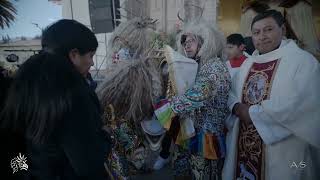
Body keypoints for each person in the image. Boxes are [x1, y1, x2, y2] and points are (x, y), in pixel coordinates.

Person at [1, 19, 111, 180]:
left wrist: (24, 173)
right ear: (73, 55)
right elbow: (88, 164)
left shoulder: (21, 83)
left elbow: (12, 144)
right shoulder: (73, 92)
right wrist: (105, 137)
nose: (92, 63)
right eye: (90, 55)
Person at [223, 10, 320, 180]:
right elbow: (231, 92)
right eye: (256, 32)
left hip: (286, 152)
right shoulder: (248, 64)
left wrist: (252, 114)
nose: (262, 36)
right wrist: (236, 107)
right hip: (244, 145)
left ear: (282, 30)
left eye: (268, 30)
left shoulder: (303, 61)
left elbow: (303, 106)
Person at [154, 19, 231, 180]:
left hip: (206, 137)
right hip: (188, 133)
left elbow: (199, 93)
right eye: (185, 41)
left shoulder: (214, 66)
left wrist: (164, 109)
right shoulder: (195, 65)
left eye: (192, 41)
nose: (187, 45)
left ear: (205, 42)